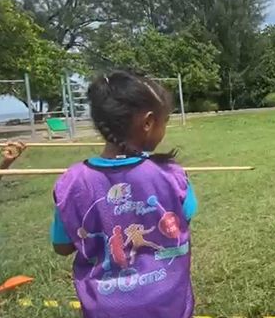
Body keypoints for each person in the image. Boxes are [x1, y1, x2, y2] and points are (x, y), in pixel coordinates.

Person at [50, 71, 198, 318]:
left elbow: (62, 247)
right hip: (169, 307)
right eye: (166, 120)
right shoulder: (171, 174)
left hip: (105, 311)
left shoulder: (72, 182)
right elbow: (182, 222)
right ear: (149, 122)